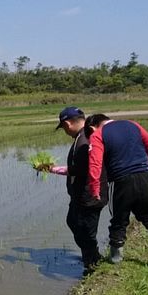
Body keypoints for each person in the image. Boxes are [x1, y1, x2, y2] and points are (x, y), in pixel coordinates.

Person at [87, 115, 148, 264]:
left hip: (121, 179)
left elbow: (95, 164)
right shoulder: (132, 124)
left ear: (92, 127)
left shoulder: (97, 134)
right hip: (144, 174)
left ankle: (115, 258)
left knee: (119, 219)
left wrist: (95, 188)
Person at [42, 107, 109, 275]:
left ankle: (92, 264)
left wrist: (53, 169)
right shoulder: (82, 137)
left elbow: (81, 169)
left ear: (67, 123)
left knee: (86, 230)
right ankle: (91, 258)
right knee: (74, 222)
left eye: (63, 127)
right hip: (82, 195)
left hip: (89, 196)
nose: (64, 131)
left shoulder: (85, 139)